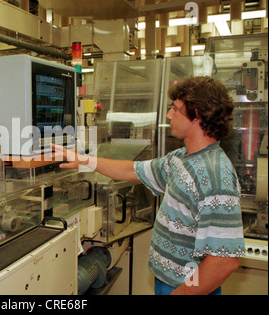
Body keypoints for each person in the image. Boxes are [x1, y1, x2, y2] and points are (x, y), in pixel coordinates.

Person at [52, 76, 245, 295]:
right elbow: (131, 170)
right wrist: (86, 160)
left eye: (175, 109)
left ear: (197, 115)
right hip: (168, 282)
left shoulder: (215, 174)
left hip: (187, 289)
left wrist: (181, 293)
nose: (168, 115)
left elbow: (223, 261)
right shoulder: (181, 159)